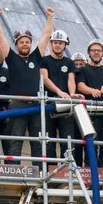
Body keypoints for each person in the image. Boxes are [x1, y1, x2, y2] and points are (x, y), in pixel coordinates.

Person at [0, 7, 54, 163]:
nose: (25, 44)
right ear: (16, 45)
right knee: (15, 139)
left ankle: (40, 171)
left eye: (27, 42)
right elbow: (0, 38)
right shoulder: (12, 58)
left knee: (38, 140)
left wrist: (50, 17)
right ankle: (14, 169)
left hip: (36, 104)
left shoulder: (36, 57)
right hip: (17, 103)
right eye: (21, 42)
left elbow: (46, 35)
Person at [76, 29, 103, 167]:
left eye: (99, 50)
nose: (96, 53)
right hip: (90, 113)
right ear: (89, 52)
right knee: (91, 147)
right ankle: (91, 174)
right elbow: (80, 85)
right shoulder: (83, 70)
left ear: (102, 53)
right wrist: (92, 91)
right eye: (94, 50)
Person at [41, 29, 76, 159]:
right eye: (55, 42)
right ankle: (50, 169)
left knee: (67, 138)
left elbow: (71, 80)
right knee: (49, 139)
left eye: (60, 43)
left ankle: (68, 169)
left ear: (65, 45)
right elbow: (44, 78)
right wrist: (59, 92)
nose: (57, 45)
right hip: (50, 103)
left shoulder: (69, 62)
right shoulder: (44, 60)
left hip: (66, 105)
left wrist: (72, 94)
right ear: (51, 43)